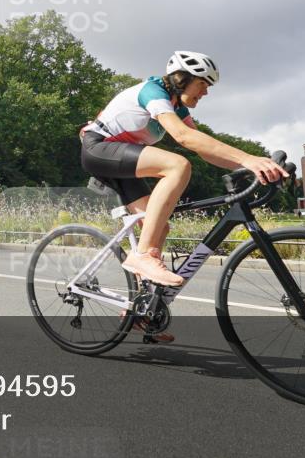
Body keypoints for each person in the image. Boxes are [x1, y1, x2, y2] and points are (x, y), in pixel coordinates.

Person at [80, 50, 287, 288]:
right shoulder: (153, 92)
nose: (206, 92)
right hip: (98, 149)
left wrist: (253, 166)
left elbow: (204, 149)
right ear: (181, 79)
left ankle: (143, 300)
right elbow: (183, 136)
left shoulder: (177, 108)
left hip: (120, 158)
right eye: (202, 84)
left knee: (159, 227)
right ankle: (143, 256)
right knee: (177, 165)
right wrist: (249, 159)